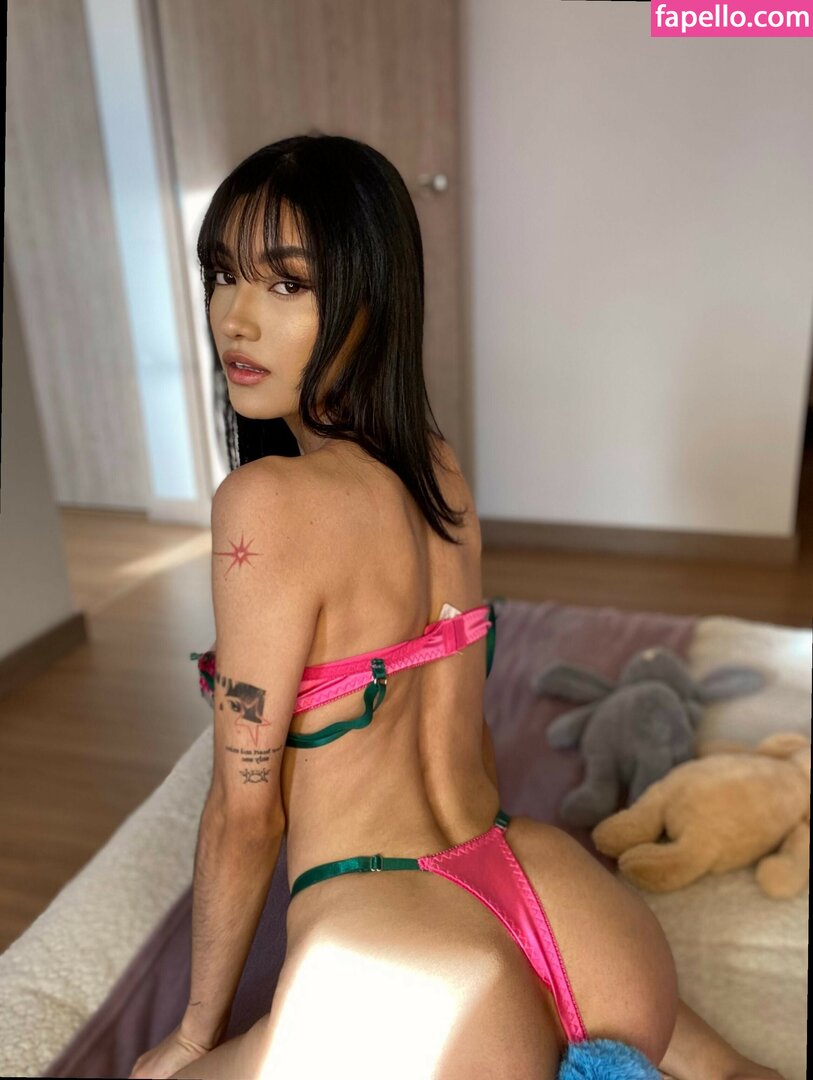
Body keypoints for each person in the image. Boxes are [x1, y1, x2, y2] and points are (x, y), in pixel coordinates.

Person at [129, 134, 784, 1080]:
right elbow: (466, 723)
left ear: (370, 297)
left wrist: (196, 1033)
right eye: (222, 275)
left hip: (413, 975)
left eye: (286, 284)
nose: (235, 318)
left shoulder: (263, 504)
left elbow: (245, 812)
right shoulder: (436, 468)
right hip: (570, 914)